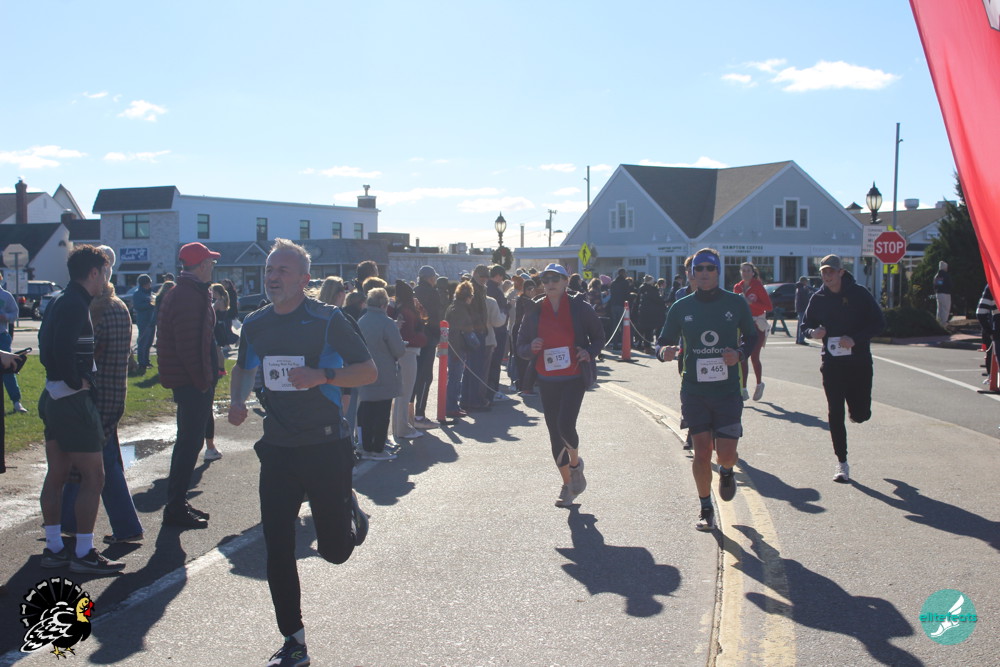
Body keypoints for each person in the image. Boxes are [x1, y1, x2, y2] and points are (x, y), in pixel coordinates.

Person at [227, 239, 375, 666]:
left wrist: (321, 375)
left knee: (334, 552)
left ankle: (347, 508)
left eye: (283, 271)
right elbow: (243, 367)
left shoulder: (328, 319)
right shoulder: (255, 323)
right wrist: (237, 401)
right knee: (277, 545)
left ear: (304, 280)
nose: (272, 277)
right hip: (278, 448)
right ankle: (294, 640)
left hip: (326, 446)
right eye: (269, 270)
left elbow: (368, 371)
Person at [37, 245, 126, 574]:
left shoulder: (61, 299)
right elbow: (60, 349)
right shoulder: (76, 303)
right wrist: (77, 381)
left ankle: (54, 547)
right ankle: (84, 552)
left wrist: (63, 378)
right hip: (72, 400)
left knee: (57, 474)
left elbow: (46, 345)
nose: (106, 279)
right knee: (94, 477)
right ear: (93, 272)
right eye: (104, 272)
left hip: (53, 396)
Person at [656, 248, 756, 531]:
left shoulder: (735, 303)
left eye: (709, 268)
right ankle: (705, 508)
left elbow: (751, 336)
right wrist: (664, 351)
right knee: (701, 452)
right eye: (698, 268)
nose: (703, 273)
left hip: (727, 391)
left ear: (718, 271)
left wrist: (739, 353)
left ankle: (727, 470)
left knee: (725, 454)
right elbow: (662, 341)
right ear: (692, 273)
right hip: (694, 390)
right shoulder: (681, 307)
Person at [61, 248, 144, 545]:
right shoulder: (118, 306)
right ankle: (71, 521)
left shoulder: (100, 309)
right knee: (95, 460)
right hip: (114, 392)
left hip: (98, 396)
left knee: (95, 463)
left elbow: (88, 352)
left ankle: (124, 527)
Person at [516, 263, 605, 507]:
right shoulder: (534, 309)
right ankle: (568, 485)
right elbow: (520, 345)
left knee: (565, 424)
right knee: (554, 435)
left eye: (555, 279)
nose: (550, 283)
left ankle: (575, 465)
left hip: (573, 377)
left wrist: (588, 352)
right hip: (547, 380)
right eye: (545, 280)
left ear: (565, 281)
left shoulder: (580, 307)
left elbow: (599, 337)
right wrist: (530, 347)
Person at [802, 255, 886, 483]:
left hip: (859, 362)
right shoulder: (818, 298)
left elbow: (879, 323)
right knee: (835, 412)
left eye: (831, 272)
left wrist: (855, 339)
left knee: (861, 414)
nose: (827, 276)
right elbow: (805, 325)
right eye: (823, 272)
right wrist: (813, 333)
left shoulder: (859, 294)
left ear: (841, 272)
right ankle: (842, 463)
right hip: (832, 363)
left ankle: (857, 412)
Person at [157, 242, 220, 529]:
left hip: (191, 380)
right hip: (191, 382)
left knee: (189, 442)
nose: (213, 267)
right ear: (202, 265)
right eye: (211, 262)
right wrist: (202, 382)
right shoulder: (187, 295)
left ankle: (178, 502)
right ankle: (175, 507)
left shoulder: (189, 291)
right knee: (188, 443)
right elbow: (187, 346)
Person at [358, 287, 405, 458]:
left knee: (367, 412)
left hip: (365, 371)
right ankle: (378, 449)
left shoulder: (361, 321)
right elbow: (399, 350)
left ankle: (365, 447)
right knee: (382, 412)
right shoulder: (386, 322)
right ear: (384, 304)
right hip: (384, 372)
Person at [391, 280, 426, 441]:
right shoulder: (407, 311)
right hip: (408, 352)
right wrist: (423, 338)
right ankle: (403, 428)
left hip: (402, 352)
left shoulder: (398, 309)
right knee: (405, 393)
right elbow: (409, 336)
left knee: (400, 394)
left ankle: (399, 427)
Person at [203, 283, 234, 462]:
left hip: (218, 329)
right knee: (218, 350)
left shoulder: (217, 302)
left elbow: (214, 311)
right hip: (205, 369)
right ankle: (209, 447)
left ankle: (209, 446)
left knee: (218, 350)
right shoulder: (221, 300)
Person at [733, 262, 773, 401]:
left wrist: (751, 303)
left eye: (748, 270)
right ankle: (743, 388)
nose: (746, 273)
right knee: (742, 356)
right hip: (743, 325)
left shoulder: (758, 286)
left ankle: (759, 384)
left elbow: (768, 306)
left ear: (753, 272)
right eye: (743, 270)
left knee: (754, 356)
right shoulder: (737, 287)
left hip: (757, 324)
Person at [412, 265, 441, 429]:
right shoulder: (432, 293)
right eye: (434, 277)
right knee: (425, 377)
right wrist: (438, 336)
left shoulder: (413, 292)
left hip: (413, 338)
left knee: (412, 377)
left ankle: (409, 415)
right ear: (430, 278)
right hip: (428, 339)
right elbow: (436, 317)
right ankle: (419, 415)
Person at [444, 280, 476, 418]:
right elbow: (455, 333)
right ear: (467, 297)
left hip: (455, 348)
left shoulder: (453, 306)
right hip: (457, 349)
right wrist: (457, 352)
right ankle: (451, 407)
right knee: (455, 379)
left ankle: (453, 406)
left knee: (454, 378)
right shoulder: (460, 310)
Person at [0, 278, 26, 413]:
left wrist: (5, 317)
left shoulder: (5, 296)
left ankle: (16, 402)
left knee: (8, 369)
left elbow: (15, 314)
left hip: (2, 336)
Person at [486, 265, 511, 401]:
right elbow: (499, 310)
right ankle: (493, 391)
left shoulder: (488, 288)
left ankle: (490, 390)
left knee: (490, 362)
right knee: (495, 362)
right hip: (497, 329)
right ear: (498, 276)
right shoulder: (494, 290)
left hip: (491, 329)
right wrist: (508, 307)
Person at [637, 274, 666, 353]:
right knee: (649, 331)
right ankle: (648, 347)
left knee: (645, 330)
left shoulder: (641, 288)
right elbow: (657, 300)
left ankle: (645, 346)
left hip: (643, 312)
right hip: (651, 313)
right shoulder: (652, 290)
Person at [133, 274, 157, 372]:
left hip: (151, 321)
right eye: (149, 283)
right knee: (143, 342)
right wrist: (149, 305)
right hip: (143, 321)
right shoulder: (138, 294)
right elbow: (137, 306)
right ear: (144, 283)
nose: (150, 284)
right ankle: (141, 362)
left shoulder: (150, 293)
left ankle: (147, 361)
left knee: (149, 342)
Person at [607, 268, 630, 350]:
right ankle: (624, 343)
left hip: (613, 305)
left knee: (615, 325)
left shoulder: (613, 283)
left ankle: (615, 344)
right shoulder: (625, 282)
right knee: (624, 325)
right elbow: (627, 294)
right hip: (622, 305)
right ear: (623, 273)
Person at [794, 276, 813, 345]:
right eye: (806, 281)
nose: (807, 282)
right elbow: (805, 298)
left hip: (799, 308)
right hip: (802, 308)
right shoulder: (802, 289)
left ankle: (798, 339)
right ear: (803, 281)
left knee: (800, 324)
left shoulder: (799, 288)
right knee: (802, 324)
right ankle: (801, 340)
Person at [933, 261, 952, 327]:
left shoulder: (937, 276)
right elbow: (949, 285)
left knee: (939, 309)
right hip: (945, 294)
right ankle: (944, 323)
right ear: (945, 267)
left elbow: (936, 285)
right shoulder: (946, 275)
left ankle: (938, 323)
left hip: (938, 294)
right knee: (945, 308)